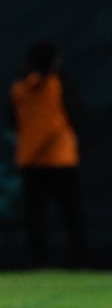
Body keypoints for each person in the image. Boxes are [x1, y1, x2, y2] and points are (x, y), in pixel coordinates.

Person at [8, 42, 86, 268]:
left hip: (31, 160)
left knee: (35, 217)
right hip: (61, 159)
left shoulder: (19, 88)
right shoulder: (58, 83)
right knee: (71, 215)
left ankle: (37, 262)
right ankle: (79, 260)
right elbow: (77, 114)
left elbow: (11, 121)